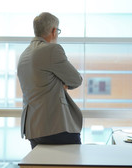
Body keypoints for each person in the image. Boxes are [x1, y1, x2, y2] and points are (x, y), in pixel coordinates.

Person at [17, 12, 83, 149]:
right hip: (55, 127)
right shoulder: (52, 50)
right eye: (58, 31)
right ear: (54, 31)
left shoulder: (24, 55)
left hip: (33, 129)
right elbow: (76, 80)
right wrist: (62, 82)